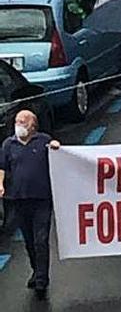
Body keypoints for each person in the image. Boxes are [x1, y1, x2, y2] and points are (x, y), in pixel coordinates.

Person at [0, 110, 61, 299]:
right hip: (18, 200)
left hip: (42, 199)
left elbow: (58, 155)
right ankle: (36, 269)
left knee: (41, 240)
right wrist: (0, 184)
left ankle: (42, 279)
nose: (18, 124)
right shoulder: (8, 145)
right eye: (17, 121)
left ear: (32, 125)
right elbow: (2, 167)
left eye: (23, 121)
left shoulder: (43, 141)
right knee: (29, 241)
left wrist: (56, 146)